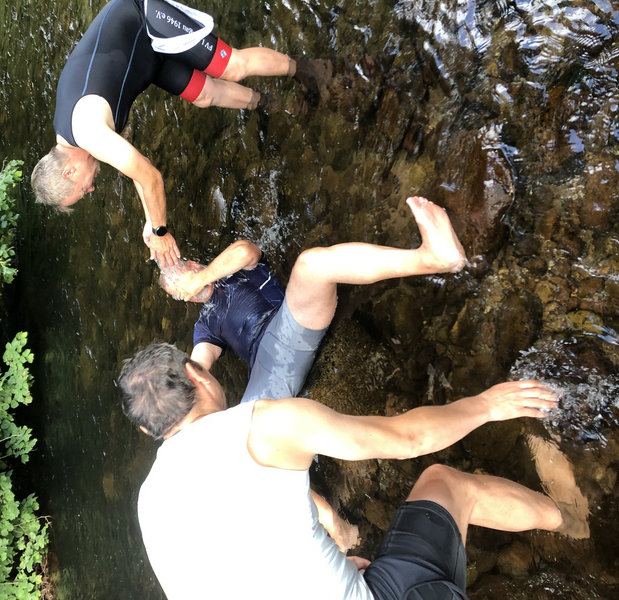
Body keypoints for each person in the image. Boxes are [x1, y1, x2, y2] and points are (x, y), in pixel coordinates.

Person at [118, 341, 588, 600]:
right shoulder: (263, 424)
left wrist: (331, 571)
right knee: (443, 483)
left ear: (148, 431)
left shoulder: (149, 503)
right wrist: (486, 405)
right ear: (197, 374)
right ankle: (569, 518)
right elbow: (407, 441)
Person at [31, 0, 318, 267]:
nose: (91, 189)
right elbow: (135, 168)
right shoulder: (73, 139)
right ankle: (264, 102)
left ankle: (304, 68)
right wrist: (149, 219)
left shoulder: (88, 133)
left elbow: (151, 177)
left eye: (83, 190)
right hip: (144, 57)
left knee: (232, 67)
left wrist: (160, 230)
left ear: (69, 171)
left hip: (143, 17)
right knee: (205, 95)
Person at [159, 196, 468, 404]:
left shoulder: (230, 268)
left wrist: (203, 277)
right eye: (176, 289)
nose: (183, 284)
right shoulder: (205, 325)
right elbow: (199, 365)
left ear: (194, 265)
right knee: (247, 424)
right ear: (183, 299)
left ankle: (433, 258)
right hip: (266, 371)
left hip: (287, 325)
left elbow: (245, 251)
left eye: (181, 273)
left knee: (312, 264)